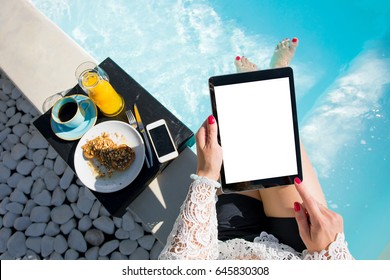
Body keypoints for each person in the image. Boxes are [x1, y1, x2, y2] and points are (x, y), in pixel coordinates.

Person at [158, 38, 354, 260]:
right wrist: (331, 254)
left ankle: (264, 87)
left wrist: (206, 176)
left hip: (230, 245)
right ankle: (272, 85)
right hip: (297, 254)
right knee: (276, 143)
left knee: (248, 140)